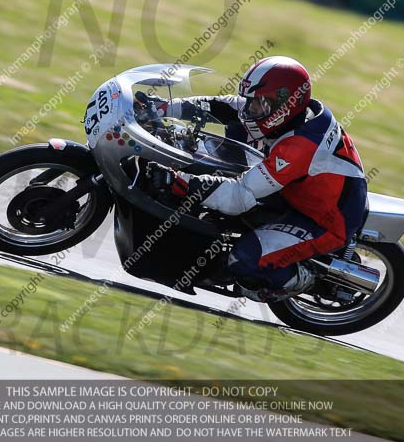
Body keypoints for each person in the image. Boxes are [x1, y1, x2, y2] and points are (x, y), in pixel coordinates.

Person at [144, 56, 368, 302]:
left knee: (243, 263)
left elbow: (239, 196)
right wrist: (165, 108)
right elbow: (223, 106)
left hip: (324, 220)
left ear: (284, 103)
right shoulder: (290, 114)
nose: (251, 110)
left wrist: (181, 182)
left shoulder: (300, 146)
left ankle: (304, 278)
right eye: (252, 102)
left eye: (259, 103)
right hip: (297, 191)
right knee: (234, 128)